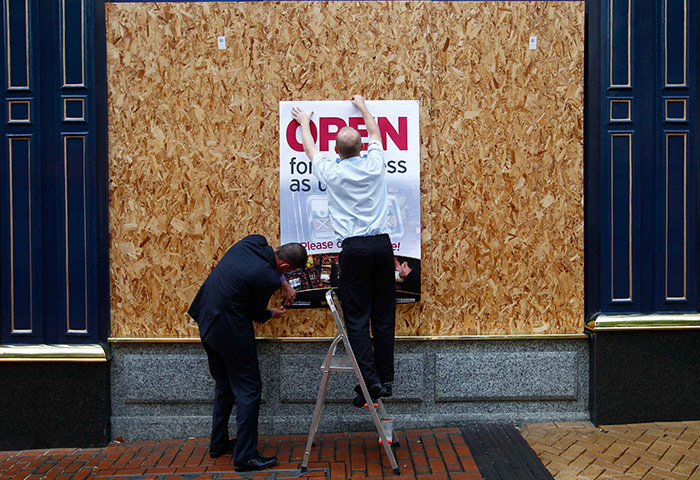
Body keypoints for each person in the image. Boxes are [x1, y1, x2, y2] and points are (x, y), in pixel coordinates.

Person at [292, 95, 396, 408]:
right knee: (383, 317)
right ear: (362, 148)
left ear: (337, 152)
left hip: (354, 249)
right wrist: (362, 106)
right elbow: (376, 133)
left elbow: (310, 150)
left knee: (356, 318)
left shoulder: (333, 172)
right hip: (382, 246)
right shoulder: (376, 164)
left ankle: (370, 381)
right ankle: (385, 378)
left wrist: (304, 123)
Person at [187, 235, 307, 471]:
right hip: (229, 329)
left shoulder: (254, 242)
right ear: (285, 266)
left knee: (225, 384)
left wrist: (283, 282)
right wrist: (274, 313)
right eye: (289, 273)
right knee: (250, 389)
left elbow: (273, 269)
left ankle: (218, 443)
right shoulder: (266, 277)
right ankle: (246, 456)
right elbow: (255, 311)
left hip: (206, 318)